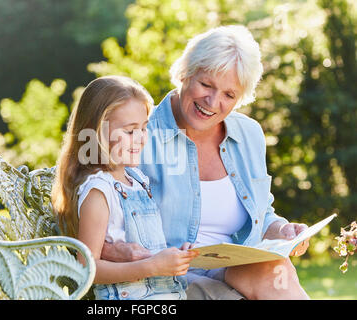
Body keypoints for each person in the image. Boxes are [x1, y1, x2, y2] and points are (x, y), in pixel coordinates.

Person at [101, 25, 310, 300]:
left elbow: (262, 213)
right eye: (206, 84)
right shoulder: (140, 136)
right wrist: (118, 250)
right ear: (186, 73)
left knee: (277, 270)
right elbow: (95, 210)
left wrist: (282, 230)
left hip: (235, 270)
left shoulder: (249, 135)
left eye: (229, 95)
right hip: (168, 280)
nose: (212, 102)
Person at [51, 75, 198, 300]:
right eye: (130, 131)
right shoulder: (99, 192)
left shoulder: (136, 179)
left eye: (143, 128)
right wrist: (153, 267)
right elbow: (87, 268)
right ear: (97, 134)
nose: (140, 139)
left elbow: (140, 250)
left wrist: (173, 257)